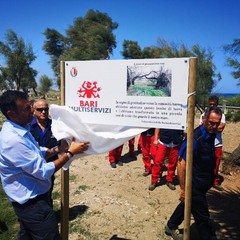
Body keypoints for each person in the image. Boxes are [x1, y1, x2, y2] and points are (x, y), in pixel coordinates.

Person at [0, 90, 90, 239]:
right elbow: (42, 171)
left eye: (30, 106)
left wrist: (57, 149)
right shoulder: (13, 140)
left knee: (26, 235)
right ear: (12, 113)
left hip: (31, 199)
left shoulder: (21, 129)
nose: (32, 111)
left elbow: (36, 153)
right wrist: (70, 153)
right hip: (32, 204)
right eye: (27, 109)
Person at [165, 106, 222, 240]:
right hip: (194, 184)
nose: (214, 126)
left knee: (188, 204)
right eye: (211, 122)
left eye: (217, 123)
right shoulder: (195, 138)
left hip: (203, 183)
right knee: (202, 216)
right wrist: (184, 189)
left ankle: (171, 225)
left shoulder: (211, 134)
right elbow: (181, 164)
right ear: (204, 119)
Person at [30, 99, 64, 207]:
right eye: (40, 109)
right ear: (34, 110)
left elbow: (62, 144)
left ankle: (48, 214)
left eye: (46, 109)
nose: (44, 112)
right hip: (32, 168)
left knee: (48, 191)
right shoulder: (28, 127)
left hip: (50, 166)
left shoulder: (56, 126)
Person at [199, 95, 226, 191]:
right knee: (204, 162)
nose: (212, 106)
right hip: (206, 143)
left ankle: (215, 181)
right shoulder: (203, 114)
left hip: (217, 144)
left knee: (216, 163)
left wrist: (209, 126)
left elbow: (221, 128)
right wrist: (214, 128)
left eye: (214, 104)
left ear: (217, 104)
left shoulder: (221, 115)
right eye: (210, 104)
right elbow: (202, 128)